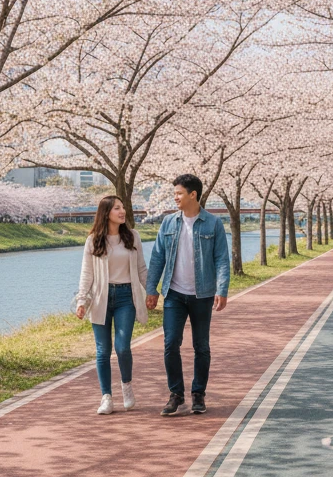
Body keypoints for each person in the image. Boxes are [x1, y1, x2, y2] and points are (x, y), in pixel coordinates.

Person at [146, 174, 231, 417]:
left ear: (193, 195)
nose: (175, 197)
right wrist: (151, 289)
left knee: (201, 346)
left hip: (202, 295)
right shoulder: (168, 223)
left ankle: (198, 393)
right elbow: (157, 257)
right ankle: (176, 394)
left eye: (179, 193)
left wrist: (222, 290)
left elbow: (221, 259)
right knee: (170, 343)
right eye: (175, 193)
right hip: (174, 294)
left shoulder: (213, 223)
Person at [76, 195, 149, 415]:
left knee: (123, 346)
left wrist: (152, 292)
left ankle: (126, 386)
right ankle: (106, 397)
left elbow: (142, 268)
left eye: (123, 207)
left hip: (126, 296)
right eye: (117, 208)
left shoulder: (132, 237)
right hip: (101, 298)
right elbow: (86, 274)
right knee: (102, 350)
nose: (122, 211)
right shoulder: (93, 241)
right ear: (106, 213)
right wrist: (82, 301)